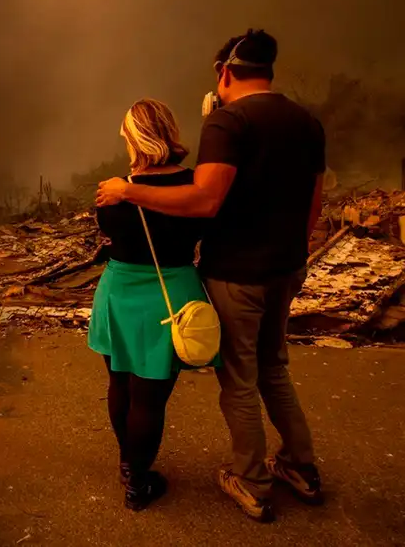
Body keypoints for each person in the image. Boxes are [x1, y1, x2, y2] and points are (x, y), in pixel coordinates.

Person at [95, 29, 325, 523]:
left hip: (236, 273)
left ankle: (252, 482)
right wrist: (297, 254)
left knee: (239, 380)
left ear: (224, 72)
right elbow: (314, 198)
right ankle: (301, 467)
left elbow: (206, 200)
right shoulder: (307, 121)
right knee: (274, 368)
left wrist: (128, 190)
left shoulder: (227, 122)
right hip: (286, 267)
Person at [88, 98, 218, 511]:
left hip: (119, 292)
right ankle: (137, 480)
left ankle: (130, 468)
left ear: (135, 137)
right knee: (149, 398)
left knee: (119, 384)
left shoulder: (114, 190)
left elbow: (108, 229)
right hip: (171, 292)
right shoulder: (196, 185)